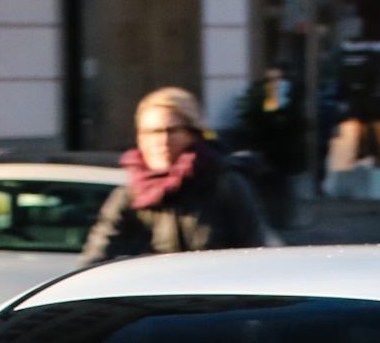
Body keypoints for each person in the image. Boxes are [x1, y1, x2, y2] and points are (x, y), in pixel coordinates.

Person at [81, 86, 270, 262]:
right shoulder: (129, 196)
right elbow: (95, 259)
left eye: (171, 131)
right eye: (151, 132)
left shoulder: (224, 184)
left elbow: (254, 257)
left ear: (194, 134)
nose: (161, 140)